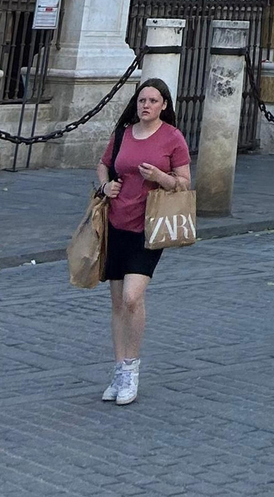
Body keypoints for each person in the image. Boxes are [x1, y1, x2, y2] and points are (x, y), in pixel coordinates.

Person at [95, 77, 191, 407]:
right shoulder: (123, 133)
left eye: (152, 100)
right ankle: (119, 369)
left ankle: (132, 368)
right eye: (141, 100)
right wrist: (106, 186)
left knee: (133, 297)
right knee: (118, 302)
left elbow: (184, 183)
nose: (145, 105)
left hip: (149, 229)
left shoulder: (172, 137)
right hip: (116, 223)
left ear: (164, 104)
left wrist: (160, 178)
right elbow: (104, 165)